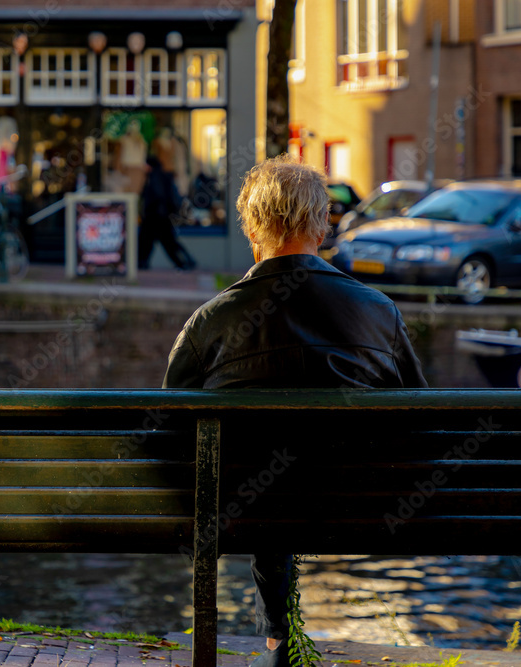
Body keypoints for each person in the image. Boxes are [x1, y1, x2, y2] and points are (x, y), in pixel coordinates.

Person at [162, 155, 427, 667]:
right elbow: (423, 417)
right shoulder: (378, 311)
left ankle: (278, 641)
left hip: (246, 507)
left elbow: (168, 430)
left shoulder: (211, 322)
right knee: (279, 464)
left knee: (262, 468)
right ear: (322, 225)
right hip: (366, 505)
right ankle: (280, 640)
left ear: (250, 226)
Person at [139, 156, 197, 270]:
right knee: (165, 243)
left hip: (156, 217)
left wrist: (149, 210)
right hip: (161, 216)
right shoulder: (162, 176)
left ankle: (184, 262)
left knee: (158, 243)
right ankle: (185, 262)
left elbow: (157, 195)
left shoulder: (154, 177)